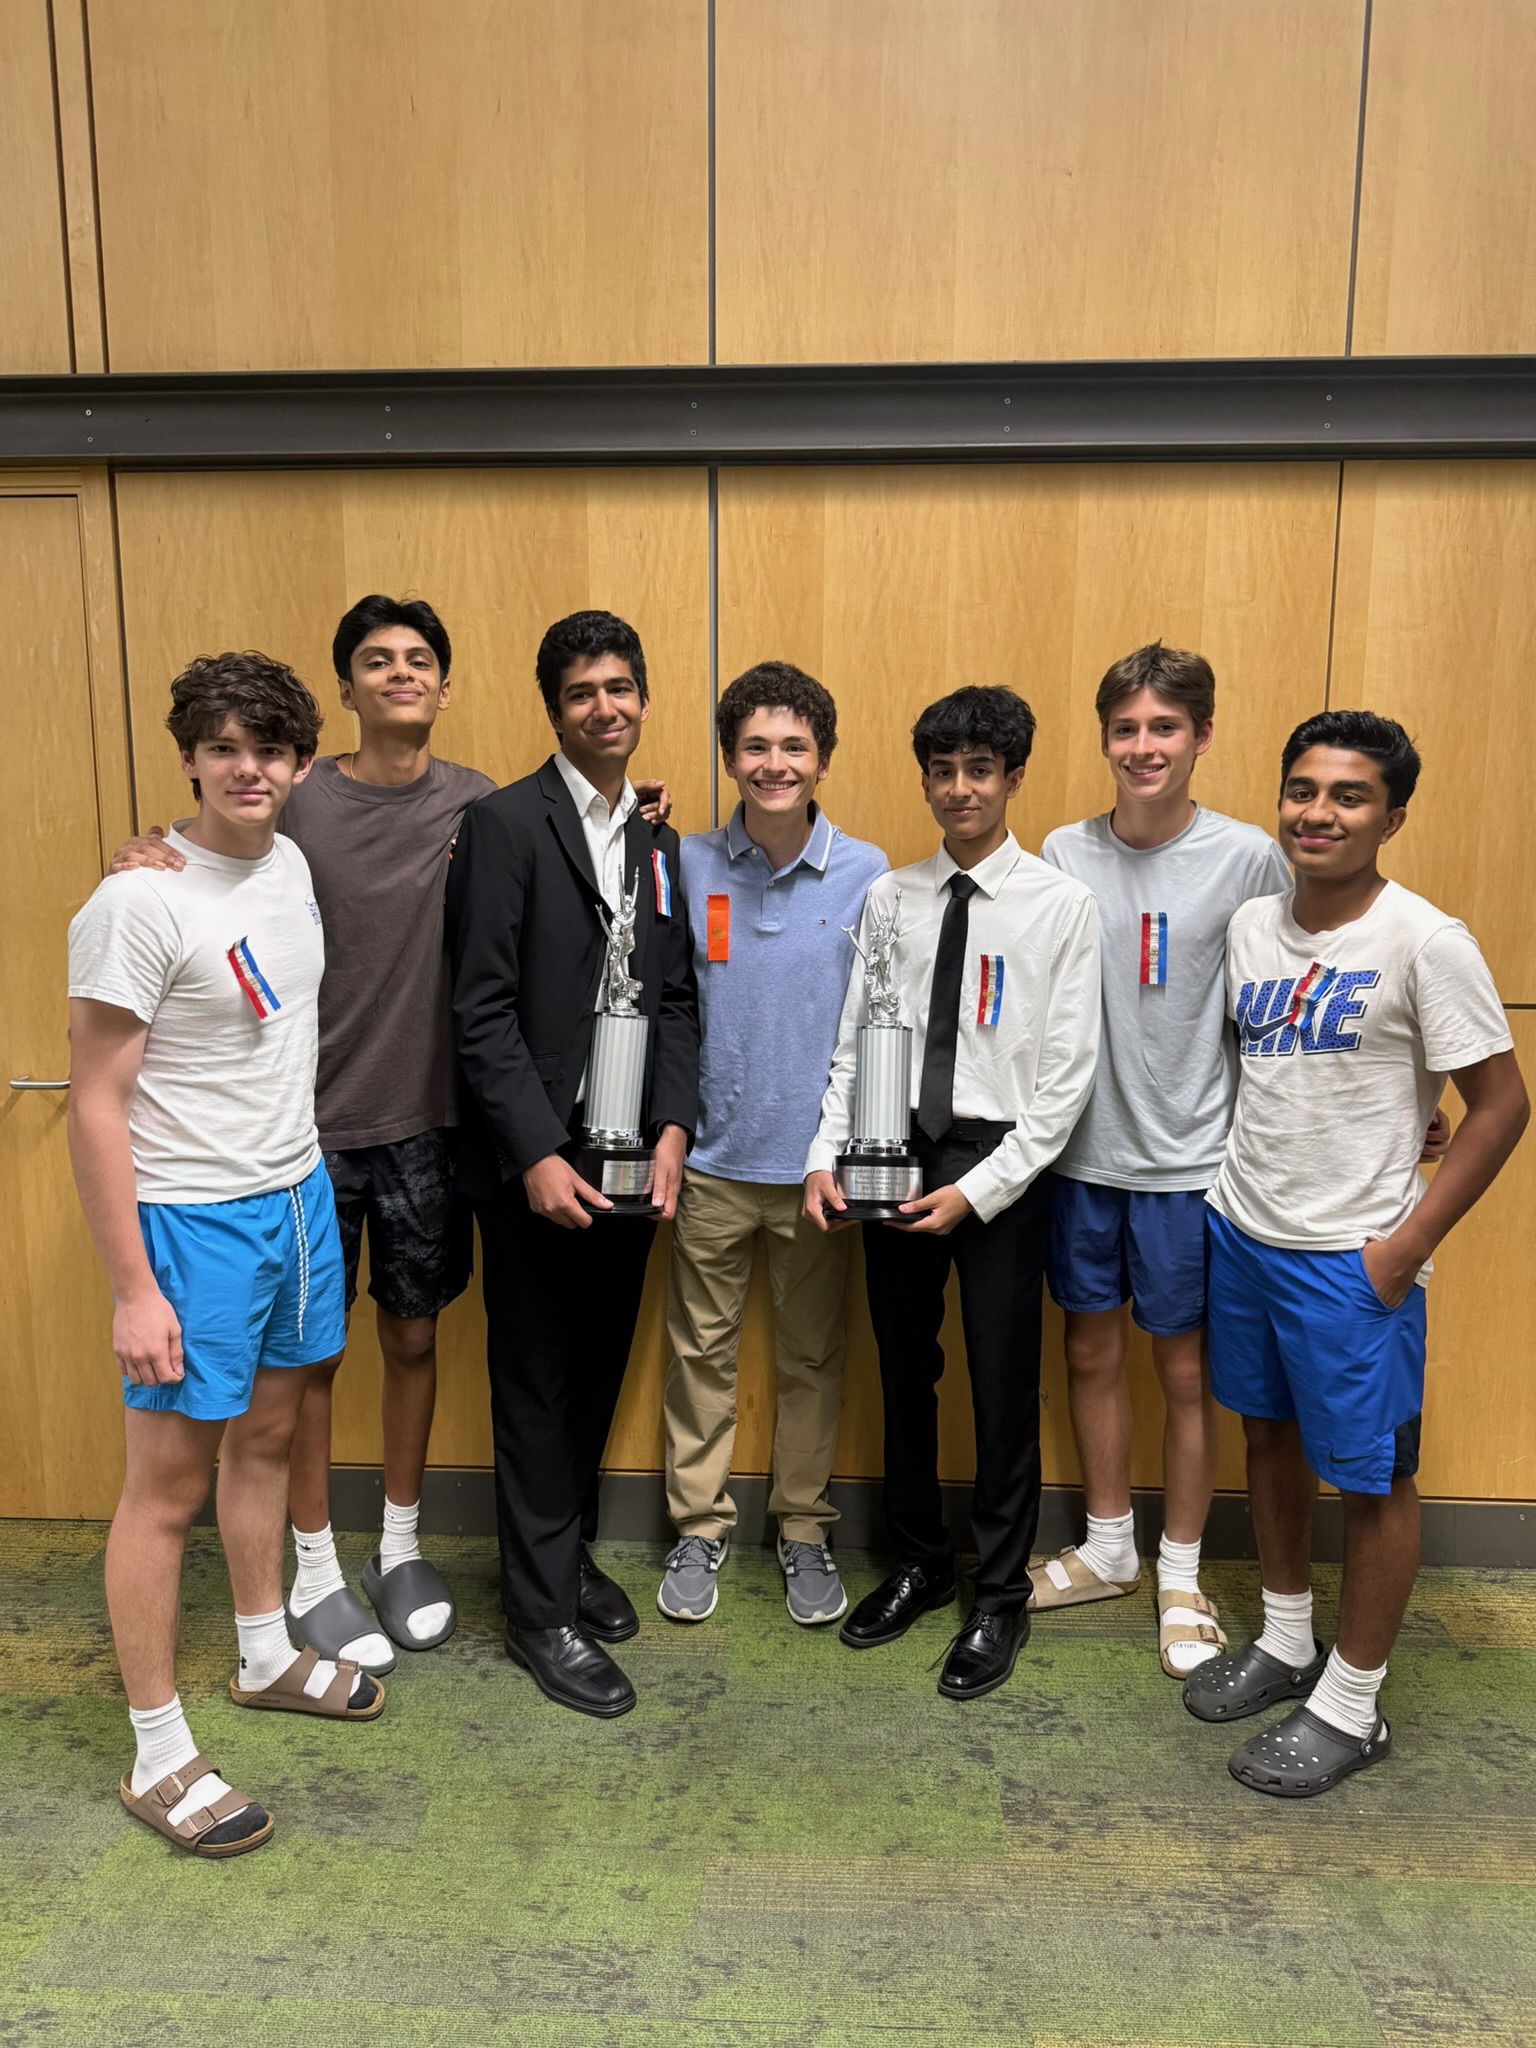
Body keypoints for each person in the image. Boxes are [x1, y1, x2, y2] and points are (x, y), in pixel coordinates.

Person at [107, 596, 675, 1677]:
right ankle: (316, 1567)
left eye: (419, 659)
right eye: (377, 661)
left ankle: (401, 1549)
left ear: (446, 689)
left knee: (413, 1339)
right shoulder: (296, 797)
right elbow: (217, 841)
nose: (401, 673)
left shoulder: (478, 802)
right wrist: (150, 850)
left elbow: (574, 838)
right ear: (347, 690)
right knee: (309, 1363)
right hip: (304, 1134)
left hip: (430, 1125)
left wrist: (637, 811)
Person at [67, 651, 381, 1863]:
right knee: (164, 1492)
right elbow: (97, 1103)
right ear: (191, 756)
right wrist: (132, 1288)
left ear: (300, 762)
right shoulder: (137, 902)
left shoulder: (289, 862)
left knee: (269, 1436)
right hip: (191, 1222)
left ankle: (263, 1652)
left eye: (270, 749)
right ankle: (158, 1751)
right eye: (224, 748)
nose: (249, 769)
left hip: (296, 1197)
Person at [1187, 710, 1527, 1795]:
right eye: (1303, 790)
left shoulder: (1426, 940)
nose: (1318, 812)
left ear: (1392, 817)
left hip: (1353, 1259)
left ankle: (1351, 1704)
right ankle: (1289, 1639)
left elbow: (1502, 1105)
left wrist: (1405, 1245)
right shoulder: (1252, 926)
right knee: (1269, 1438)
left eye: (1348, 796)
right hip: (1246, 1229)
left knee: (1375, 1478)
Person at [804, 686, 1101, 1700]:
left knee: (1002, 1384)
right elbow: (855, 1041)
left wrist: (979, 1191)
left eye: (980, 769)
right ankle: (922, 1560)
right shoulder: (892, 897)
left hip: (1000, 1170)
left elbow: (1065, 1081)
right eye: (943, 771)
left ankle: (999, 1591)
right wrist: (825, 1155)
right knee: (904, 1371)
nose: (960, 788)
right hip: (891, 1159)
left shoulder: (1059, 905)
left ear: (1013, 778)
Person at [446, 608, 699, 1719]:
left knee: (597, 1375)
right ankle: (538, 1613)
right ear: (555, 710)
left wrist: (675, 1129)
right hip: (537, 1164)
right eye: (583, 691)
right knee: (537, 1386)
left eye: (620, 687)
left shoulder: (657, 840)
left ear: (643, 698)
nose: (605, 706)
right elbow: (479, 1008)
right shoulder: (503, 824)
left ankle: (563, 1555)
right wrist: (535, 1154)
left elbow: (676, 999)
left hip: (633, 1156)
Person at [1034, 643, 1291, 1677]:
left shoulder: (1249, 858)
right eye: (1126, 728)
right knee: (1090, 1353)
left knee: (1185, 1370)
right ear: (1105, 737)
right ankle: (1109, 1546)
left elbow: (1291, 994)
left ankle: (1180, 1572)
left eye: (1165, 728)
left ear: (1201, 736)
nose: (1143, 747)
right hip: (1083, 1158)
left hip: (1192, 1164)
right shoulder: (1063, 850)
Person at [657, 662, 887, 1628]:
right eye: (755, 745)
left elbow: (876, 1025)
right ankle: (697, 1525)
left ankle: (803, 1528)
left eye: (795, 746)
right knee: (698, 1356)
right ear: (729, 757)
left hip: (813, 1176)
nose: (774, 764)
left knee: (811, 1361)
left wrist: (839, 1156)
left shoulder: (869, 873)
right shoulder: (686, 861)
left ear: (822, 760)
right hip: (709, 1165)